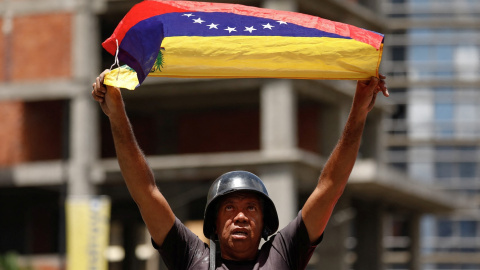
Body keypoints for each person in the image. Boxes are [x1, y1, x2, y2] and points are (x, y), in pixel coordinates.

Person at [92, 72, 388, 269]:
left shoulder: (282, 253)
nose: (241, 217)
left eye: (251, 208)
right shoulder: (191, 257)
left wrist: (359, 110)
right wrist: (116, 111)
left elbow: (330, 187)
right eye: (229, 207)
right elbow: (145, 192)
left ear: (265, 221)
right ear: (214, 221)